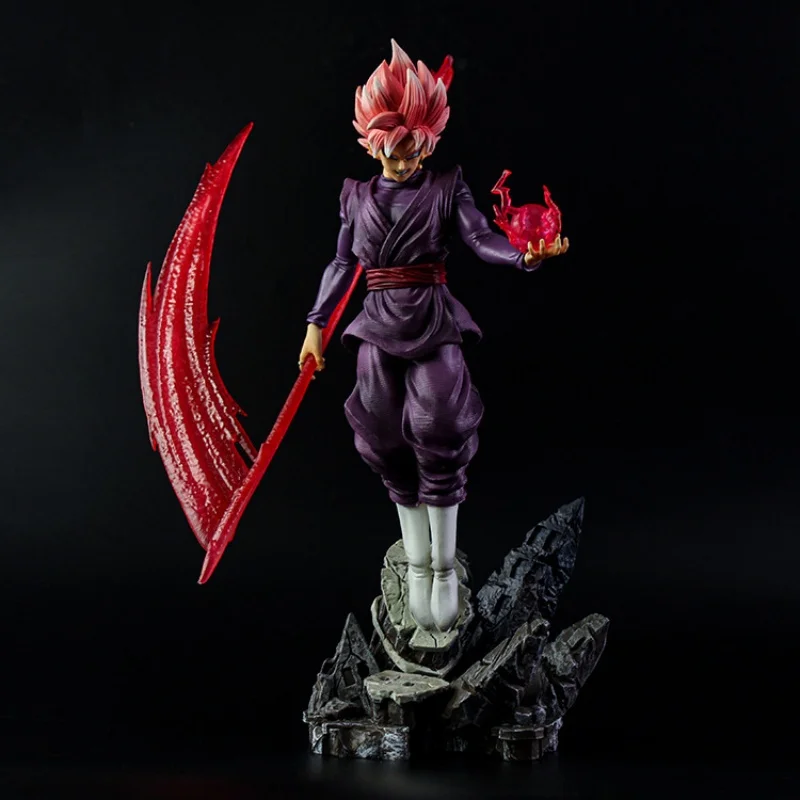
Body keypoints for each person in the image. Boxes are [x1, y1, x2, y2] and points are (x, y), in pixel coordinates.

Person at [298, 40, 568, 635]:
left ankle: (443, 565)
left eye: (412, 149)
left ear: (429, 139)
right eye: (391, 151)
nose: (402, 161)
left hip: (433, 314)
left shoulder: (447, 186)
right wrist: (316, 326)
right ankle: (417, 559)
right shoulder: (355, 196)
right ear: (372, 142)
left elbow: (479, 238)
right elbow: (341, 264)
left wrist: (523, 256)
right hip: (376, 322)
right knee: (381, 433)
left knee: (440, 423)